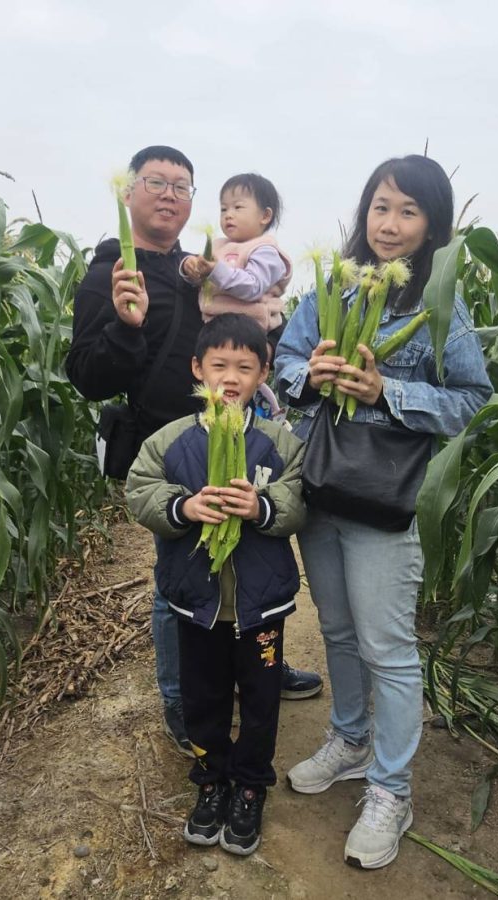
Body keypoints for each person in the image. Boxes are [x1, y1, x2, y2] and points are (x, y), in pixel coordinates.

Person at [65, 146, 321, 760]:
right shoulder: (109, 274)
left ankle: (258, 669)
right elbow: (88, 376)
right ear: (129, 194)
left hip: (245, 438)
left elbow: (251, 333)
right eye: (155, 181)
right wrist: (125, 327)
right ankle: (182, 698)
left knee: (252, 561)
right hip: (175, 449)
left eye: (182, 185)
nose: (170, 194)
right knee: (179, 579)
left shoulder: (202, 268)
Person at [274, 155, 492, 869]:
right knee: (336, 629)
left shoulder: (439, 306)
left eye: (407, 211)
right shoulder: (331, 287)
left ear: (432, 225)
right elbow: (284, 360)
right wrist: (308, 375)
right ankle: (350, 740)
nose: (389, 224)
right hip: (321, 488)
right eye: (379, 207)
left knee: (388, 649)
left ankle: (391, 791)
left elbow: (470, 401)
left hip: (385, 499)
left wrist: (384, 395)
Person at [126, 313, 306, 856]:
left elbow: (297, 501)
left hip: (261, 608)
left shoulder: (279, 443)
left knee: (260, 698)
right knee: (204, 698)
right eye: (219, 365)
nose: (231, 376)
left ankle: (250, 783)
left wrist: (262, 506)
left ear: (263, 374)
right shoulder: (171, 441)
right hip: (196, 606)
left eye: (245, 367)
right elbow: (140, 491)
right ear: (198, 370)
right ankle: (211, 779)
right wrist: (183, 506)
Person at [181, 173, 292, 333]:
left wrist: (215, 270)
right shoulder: (218, 246)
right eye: (223, 209)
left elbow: (253, 287)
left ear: (265, 216)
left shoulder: (266, 251)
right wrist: (190, 269)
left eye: (238, 207)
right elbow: (204, 283)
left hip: (250, 329)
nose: (228, 215)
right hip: (212, 327)